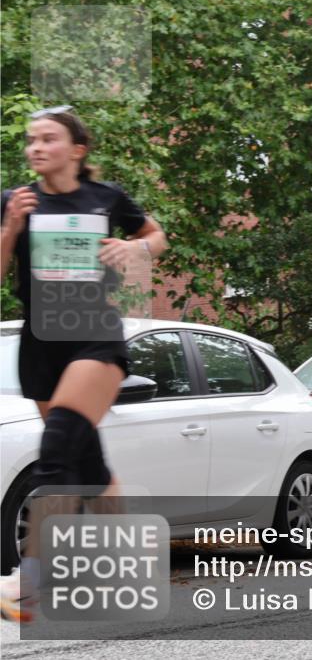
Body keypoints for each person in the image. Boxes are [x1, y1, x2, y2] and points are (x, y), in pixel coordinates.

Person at [0, 105, 168, 622]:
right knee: (87, 463)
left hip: (93, 334)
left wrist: (131, 248)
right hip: (41, 339)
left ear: (77, 150)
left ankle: (33, 578)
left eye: (49, 138)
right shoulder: (14, 201)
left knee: (57, 448)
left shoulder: (106, 197)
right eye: (32, 139)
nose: (36, 147)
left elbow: (157, 237)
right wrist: (10, 228)